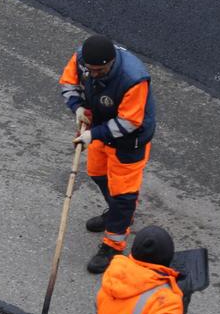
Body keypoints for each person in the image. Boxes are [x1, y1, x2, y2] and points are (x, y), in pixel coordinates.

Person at [61, 34, 156, 274]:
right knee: (97, 173)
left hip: (128, 142)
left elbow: (129, 122)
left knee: (123, 193)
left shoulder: (133, 79)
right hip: (101, 131)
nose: (93, 75)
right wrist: (78, 107)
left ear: (111, 63)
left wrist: (93, 135)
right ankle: (117, 213)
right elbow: (69, 84)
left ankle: (114, 244)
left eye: (99, 71)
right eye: (89, 70)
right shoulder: (82, 58)